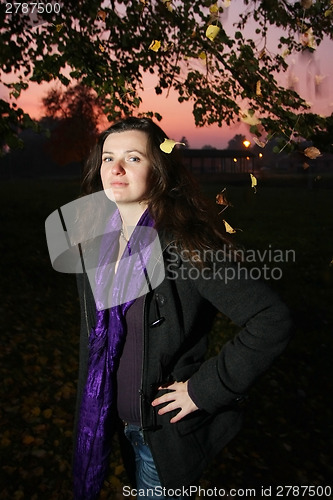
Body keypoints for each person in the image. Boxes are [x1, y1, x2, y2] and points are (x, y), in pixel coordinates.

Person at [72, 117, 292, 500]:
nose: (116, 168)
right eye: (108, 157)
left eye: (133, 158)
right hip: (114, 423)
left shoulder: (186, 242)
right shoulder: (96, 245)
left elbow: (270, 319)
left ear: (158, 170)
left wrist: (202, 390)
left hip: (162, 438)